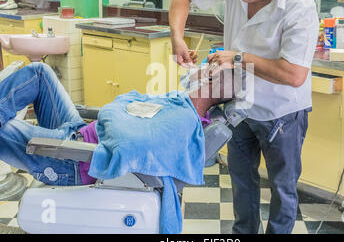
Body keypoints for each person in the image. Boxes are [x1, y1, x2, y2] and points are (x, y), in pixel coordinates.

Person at [169, 0, 319, 234]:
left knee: (282, 189)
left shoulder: (299, 6)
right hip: (241, 106)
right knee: (241, 183)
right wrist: (177, 37)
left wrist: (239, 57)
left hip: (283, 113)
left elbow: (293, 74)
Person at [0, 62, 231, 186]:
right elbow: (128, 107)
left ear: (210, 79)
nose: (200, 64)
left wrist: (114, 113)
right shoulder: (180, 102)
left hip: (75, 157)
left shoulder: (184, 122)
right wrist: (118, 111)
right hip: (78, 131)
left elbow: (130, 144)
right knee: (39, 72)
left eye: (207, 64)